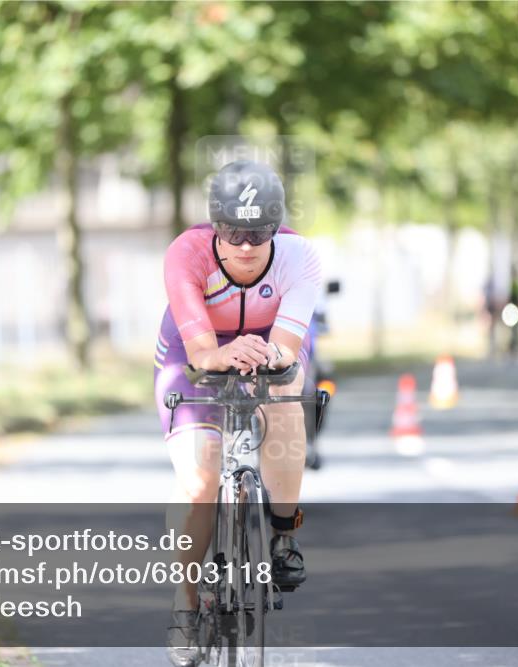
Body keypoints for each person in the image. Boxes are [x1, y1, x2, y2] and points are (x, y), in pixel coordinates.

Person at [154, 160, 322, 667]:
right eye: (232, 232)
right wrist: (222, 355)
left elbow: (288, 349)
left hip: (271, 346)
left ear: (275, 228)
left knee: (287, 398)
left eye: (257, 233)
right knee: (201, 478)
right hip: (192, 351)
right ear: (214, 228)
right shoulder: (186, 253)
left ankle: (284, 536)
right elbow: (204, 354)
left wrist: (268, 357)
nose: (246, 245)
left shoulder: (300, 256)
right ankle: (185, 605)